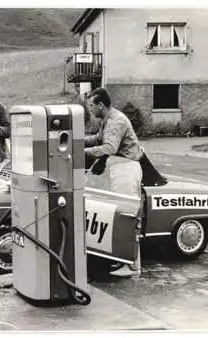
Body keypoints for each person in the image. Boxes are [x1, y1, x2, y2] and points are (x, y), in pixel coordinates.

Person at [84, 87, 143, 278]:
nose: (90, 110)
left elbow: (109, 147)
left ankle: (133, 267)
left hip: (126, 167)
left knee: (127, 218)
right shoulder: (108, 119)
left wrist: (83, 152)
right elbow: (98, 139)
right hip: (119, 167)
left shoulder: (115, 121)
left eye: (92, 106)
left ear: (101, 105)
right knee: (120, 219)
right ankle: (125, 261)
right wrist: (76, 140)